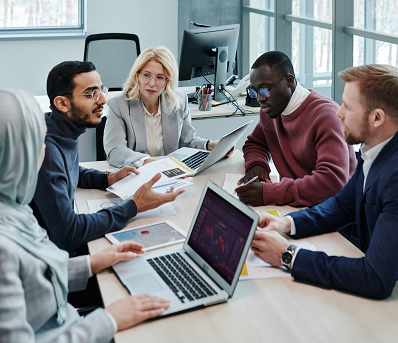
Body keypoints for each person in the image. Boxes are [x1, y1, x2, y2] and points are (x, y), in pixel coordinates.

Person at [0, 89, 170, 342]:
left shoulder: (14, 209)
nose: (44, 154)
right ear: (15, 153)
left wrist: (92, 263)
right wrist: (108, 319)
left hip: (70, 321)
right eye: (37, 143)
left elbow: (36, 277)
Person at [251, 64, 398, 301]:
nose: (338, 112)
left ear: (377, 118)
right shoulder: (377, 146)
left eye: (348, 107)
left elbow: (374, 279)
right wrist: (285, 224)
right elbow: (342, 206)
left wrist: (287, 255)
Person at [30, 61, 184, 254]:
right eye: (91, 93)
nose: (103, 99)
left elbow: (70, 169)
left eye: (101, 89)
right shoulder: (48, 150)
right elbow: (68, 233)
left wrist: (107, 178)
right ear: (62, 103)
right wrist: (133, 207)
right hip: (49, 259)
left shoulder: (59, 127)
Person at [235, 51, 356, 207]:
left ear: (288, 81)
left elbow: (332, 181)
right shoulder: (271, 110)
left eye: (265, 90)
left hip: (333, 212)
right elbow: (256, 144)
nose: (260, 99)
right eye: (254, 91)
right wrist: (257, 165)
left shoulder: (326, 116)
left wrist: (271, 193)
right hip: (297, 206)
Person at [103, 46, 233, 168]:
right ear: (137, 76)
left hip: (170, 174)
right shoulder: (118, 105)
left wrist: (210, 145)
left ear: (168, 81)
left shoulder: (179, 101)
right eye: (146, 75)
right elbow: (115, 150)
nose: (152, 83)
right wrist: (149, 162)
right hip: (136, 173)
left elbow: (187, 142)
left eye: (160, 77)